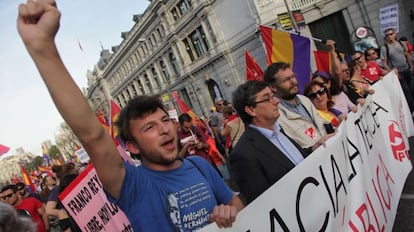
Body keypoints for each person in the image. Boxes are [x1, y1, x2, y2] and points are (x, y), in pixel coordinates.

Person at [17, 1, 243, 231]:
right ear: (132, 147)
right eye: (149, 127)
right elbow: (93, 136)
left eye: (165, 120)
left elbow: (235, 202)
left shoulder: (198, 166)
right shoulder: (132, 185)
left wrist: (230, 212)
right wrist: (43, 48)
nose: (164, 129)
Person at [230, 81, 328, 204]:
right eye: (267, 99)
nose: (276, 101)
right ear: (251, 110)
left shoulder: (280, 130)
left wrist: (314, 148)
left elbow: (294, 161)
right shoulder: (243, 154)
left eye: (273, 96)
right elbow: (263, 204)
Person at [263, 62, 332, 149]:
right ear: (273, 87)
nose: (293, 82)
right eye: (286, 80)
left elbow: (321, 126)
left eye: (293, 76)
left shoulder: (304, 100)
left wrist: (337, 126)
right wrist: (313, 148)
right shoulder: (276, 117)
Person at [380, 28, 414, 112]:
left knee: (411, 88)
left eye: (391, 34)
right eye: (387, 35)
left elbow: (407, 55)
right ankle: (412, 109)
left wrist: (411, 66)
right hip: (398, 72)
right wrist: (392, 72)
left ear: (395, 34)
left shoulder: (401, 43)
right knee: (406, 92)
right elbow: (384, 62)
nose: (389, 36)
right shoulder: (385, 48)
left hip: (407, 69)